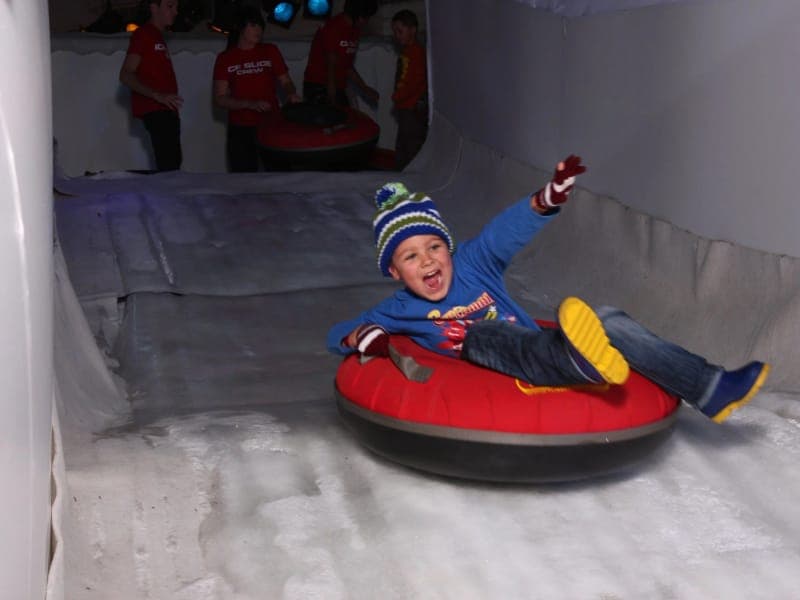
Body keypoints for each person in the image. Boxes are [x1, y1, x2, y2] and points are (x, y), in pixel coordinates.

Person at [327, 156, 771, 424]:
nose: (427, 260)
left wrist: (547, 198)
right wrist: (359, 336)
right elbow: (340, 333)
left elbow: (506, 231)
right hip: (496, 357)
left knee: (609, 318)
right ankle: (575, 361)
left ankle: (710, 387)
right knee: (481, 334)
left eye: (434, 246)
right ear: (394, 272)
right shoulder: (398, 308)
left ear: (450, 247)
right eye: (410, 256)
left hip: (536, 342)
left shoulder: (473, 264)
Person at [213, 7, 302, 172]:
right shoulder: (225, 58)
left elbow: (286, 81)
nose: (258, 30)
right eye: (253, 25)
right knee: (244, 181)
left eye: (260, 26)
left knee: (280, 175)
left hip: (271, 124)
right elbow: (220, 98)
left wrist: (291, 93)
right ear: (240, 28)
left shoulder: (270, 51)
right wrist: (249, 104)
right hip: (241, 128)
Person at [119, 0, 183, 172]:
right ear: (154, 8)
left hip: (166, 109)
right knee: (169, 166)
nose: (175, 12)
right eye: (170, 6)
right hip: (157, 110)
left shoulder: (156, 35)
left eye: (176, 7)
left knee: (172, 164)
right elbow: (126, 74)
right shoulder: (143, 35)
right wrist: (157, 95)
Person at [302, 0, 379, 107]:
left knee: (347, 120)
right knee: (332, 121)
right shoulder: (333, 27)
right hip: (319, 84)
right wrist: (332, 90)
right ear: (357, 15)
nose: (366, 21)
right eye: (365, 17)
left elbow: (346, 66)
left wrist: (365, 88)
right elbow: (331, 60)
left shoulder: (355, 30)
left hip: (337, 86)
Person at [390, 9, 428, 170]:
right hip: (405, 108)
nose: (397, 36)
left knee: (411, 151)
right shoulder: (407, 52)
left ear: (412, 29)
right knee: (403, 150)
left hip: (412, 110)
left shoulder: (417, 53)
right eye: (395, 32)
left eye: (400, 31)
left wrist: (398, 96)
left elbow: (415, 80)